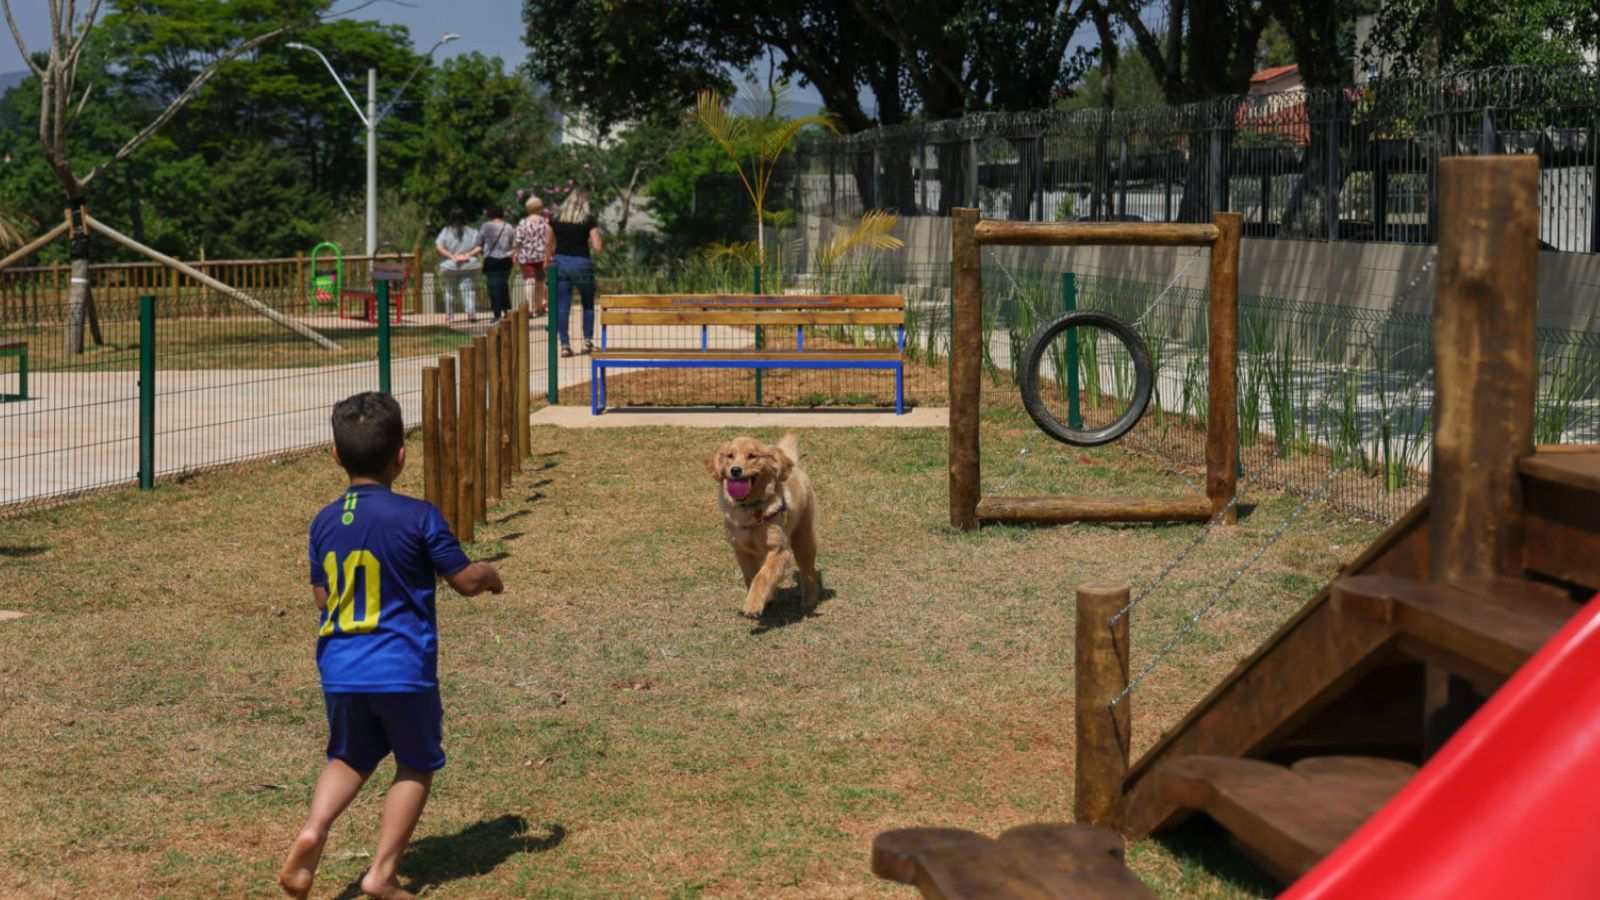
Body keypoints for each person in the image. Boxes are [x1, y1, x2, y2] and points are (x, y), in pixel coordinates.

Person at [276, 392, 504, 900]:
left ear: (335, 455)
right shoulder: (418, 516)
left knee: (348, 756)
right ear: (401, 455)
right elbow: (464, 581)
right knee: (416, 762)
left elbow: (322, 595)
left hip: (340, 668)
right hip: (402, 669)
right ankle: (381, 874)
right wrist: (490, 574)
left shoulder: (324, 522)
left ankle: (314, 829)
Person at [550, 188, 603, 357]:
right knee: (587, 304)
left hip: (561, 264)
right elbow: (598, 247)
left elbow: (548, 244)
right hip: (582, 264)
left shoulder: (556, 220)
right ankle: (587, 341)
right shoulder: (588, 221)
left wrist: (548, 260)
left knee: (562, 305)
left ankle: (565, 345)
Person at [434, 210, 481, 323]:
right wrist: (467, 255)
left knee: (449, 290)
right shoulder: (471, 231)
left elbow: (439, 247)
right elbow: (480, 246)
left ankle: (449, 315)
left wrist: (452, 256)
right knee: (468, 290)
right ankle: (471, 314)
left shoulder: (446, 231)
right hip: (467, 264)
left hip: (450, 266)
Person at [512, 195, 553, 316]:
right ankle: (539, 307)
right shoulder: (545, 223)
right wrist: (548, 256)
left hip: (526, 256)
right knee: (541, 282)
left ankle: (530, 308)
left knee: (529, 282)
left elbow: (518, 240)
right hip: (541, 256)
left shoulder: (523, 223)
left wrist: (515, 252)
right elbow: (548, 241)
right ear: (540, 208)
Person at [477, 205, 516, 322]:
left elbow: (478, 242)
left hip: (491, 260)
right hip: (506, 261)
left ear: (490, 214)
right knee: (503, 286)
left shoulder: (485, 226)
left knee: (493, 287)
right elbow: (514, 245)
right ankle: (507, 311)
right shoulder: (509, 227)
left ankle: (497, 314)